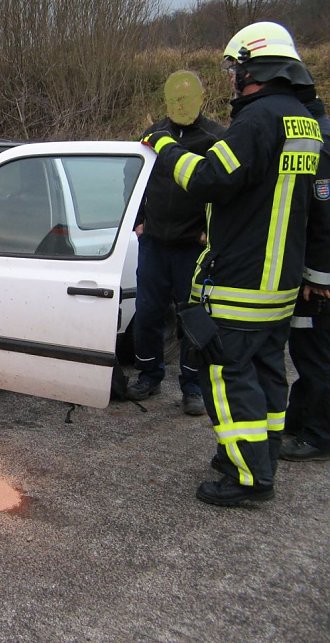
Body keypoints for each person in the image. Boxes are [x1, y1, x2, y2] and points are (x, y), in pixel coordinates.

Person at [141, 22, 321, 506]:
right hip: (280, 281)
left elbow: (207, 179)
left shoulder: (258, 120)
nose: (231, 79)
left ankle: (247, 477)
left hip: (243, 279)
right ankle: (255, 453)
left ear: (253, 68)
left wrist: (163, 146)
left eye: (234, 68)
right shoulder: (302, 120)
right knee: (266, 374)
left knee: (226, 373)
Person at [127, 70, 226, 416]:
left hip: (192, 249)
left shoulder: (217, 137)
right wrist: (137, 220)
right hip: (154, 243)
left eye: (188, 97)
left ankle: (192, 387)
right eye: (175, 99)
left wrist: (210, 232)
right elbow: (134, 176)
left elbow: (226, 188)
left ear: (202, 97)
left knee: (192, 319)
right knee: (148, 313)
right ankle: (148, 375)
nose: (182, 104)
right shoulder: (153, 134)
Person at [280, 95, 330, 462]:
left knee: (315, 355)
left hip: (317, 282)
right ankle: (298, 419)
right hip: (313, 272)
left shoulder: (320, 148)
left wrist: (318, 275)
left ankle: (318, 435)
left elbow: (324, 218)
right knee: (306, 351)